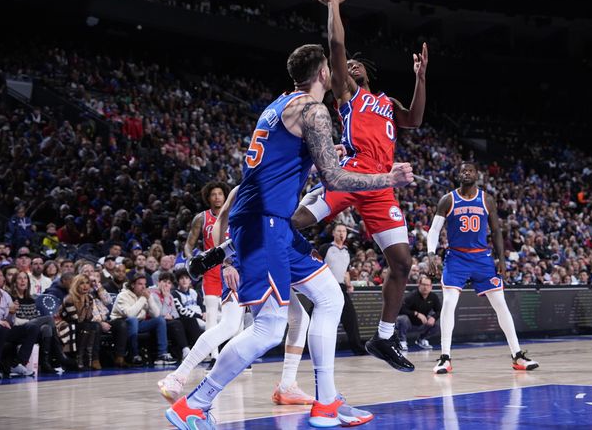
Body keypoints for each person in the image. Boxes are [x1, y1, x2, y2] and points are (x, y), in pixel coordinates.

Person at [165, 41, 413, 429]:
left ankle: (327, 402)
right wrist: (389, 177)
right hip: (264, 223)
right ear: (324, 74)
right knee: (268, 328)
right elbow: (334, 177)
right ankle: (196, 402)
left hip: (272, 222)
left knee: (330, 297)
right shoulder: (314, 111)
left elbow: (262, 175)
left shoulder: (279, 105)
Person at [290, 0, 427, 372]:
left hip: (380, 187)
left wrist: (420, 77)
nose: (348, 66)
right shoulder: (348, 95)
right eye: (345, 67)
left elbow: (414, 119)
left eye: (355, 65)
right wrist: (333, 5)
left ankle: (382, 339)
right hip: (348, 174)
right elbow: (336, 46)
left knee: (402, 263)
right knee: (296, 222)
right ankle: (263, 249)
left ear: (368, 71)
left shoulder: (385, 102)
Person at [161, 186, 314, 407]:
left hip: (267, 261)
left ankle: (287, 385)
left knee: (299, 318)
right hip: (242, 263)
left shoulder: (281, 182)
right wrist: (226, 262)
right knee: (230, 325)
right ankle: (179, 376)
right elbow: (221, 224)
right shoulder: (248, 187)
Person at [427, 162, 538, 374]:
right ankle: (445, 357)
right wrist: (431, 253)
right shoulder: (448, 199)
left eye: (470, 170)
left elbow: (496, 231)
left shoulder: (486, 199)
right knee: (449, 303)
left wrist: (502, 261)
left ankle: (518, 356)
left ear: (477, 175)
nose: (466, 172)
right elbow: (433, 230)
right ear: (458, 174)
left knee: (501, 304)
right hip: (456, 258)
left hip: (482, 259)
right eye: (463, 170)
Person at [184, 181, 228, 361]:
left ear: (225, 196)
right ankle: (214, 355)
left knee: (234, 316)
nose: (217, 197)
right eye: (213, 194)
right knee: (211, 315)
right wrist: (190, 259)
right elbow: (189, 244)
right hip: (210, 270)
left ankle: (235, 355)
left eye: (220, 194)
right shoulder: (201, 218)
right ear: (208, 198)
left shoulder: (233, 214)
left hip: (231, 269)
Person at [0, 269, 40, 379]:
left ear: (4, 280)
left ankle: (17, 363)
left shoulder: (6, 296)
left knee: (32, 327)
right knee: (1, 328)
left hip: (2, 330)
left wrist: (11, 313)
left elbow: (10, 322)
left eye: (0, 276)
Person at [318, 223, 366, 355]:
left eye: (344, 231)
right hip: (326, 287)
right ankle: (313, 347)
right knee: (319, 318)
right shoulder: (325, 248)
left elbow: (346, 272)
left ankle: (357, 348)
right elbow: (317, 266)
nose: (341, 233)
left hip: (341, 287)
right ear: (333, 233)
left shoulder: (347, 251)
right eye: (339, 231)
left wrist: (349, 284)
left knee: (350, 317)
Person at [110, 272, 175, 366]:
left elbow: (156, 314)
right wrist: (143, 298)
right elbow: (130, 314)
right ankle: (134, 355)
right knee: (133, 320)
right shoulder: (123, 295)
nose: (143, 287)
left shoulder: (144, 295)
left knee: (160, 320)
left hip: (139, 323)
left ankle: (162, 354)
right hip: (121, 323)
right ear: (132, 285)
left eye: (144, 284)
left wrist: (149, 299)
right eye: (140, 284)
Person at [396, 275, 441, 352]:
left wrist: (434, 317)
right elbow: (401, 310)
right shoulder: (412, 296)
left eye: (427, 285)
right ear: (419, 285)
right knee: (402, 319)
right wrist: (416, 313)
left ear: (431, 287)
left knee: (436, 326)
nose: (425, 287)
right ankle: (402, 341)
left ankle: (422, 339)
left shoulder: (433, 297)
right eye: (423, 285)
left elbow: (439, 310)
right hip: (408, 323)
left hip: (422, 323)